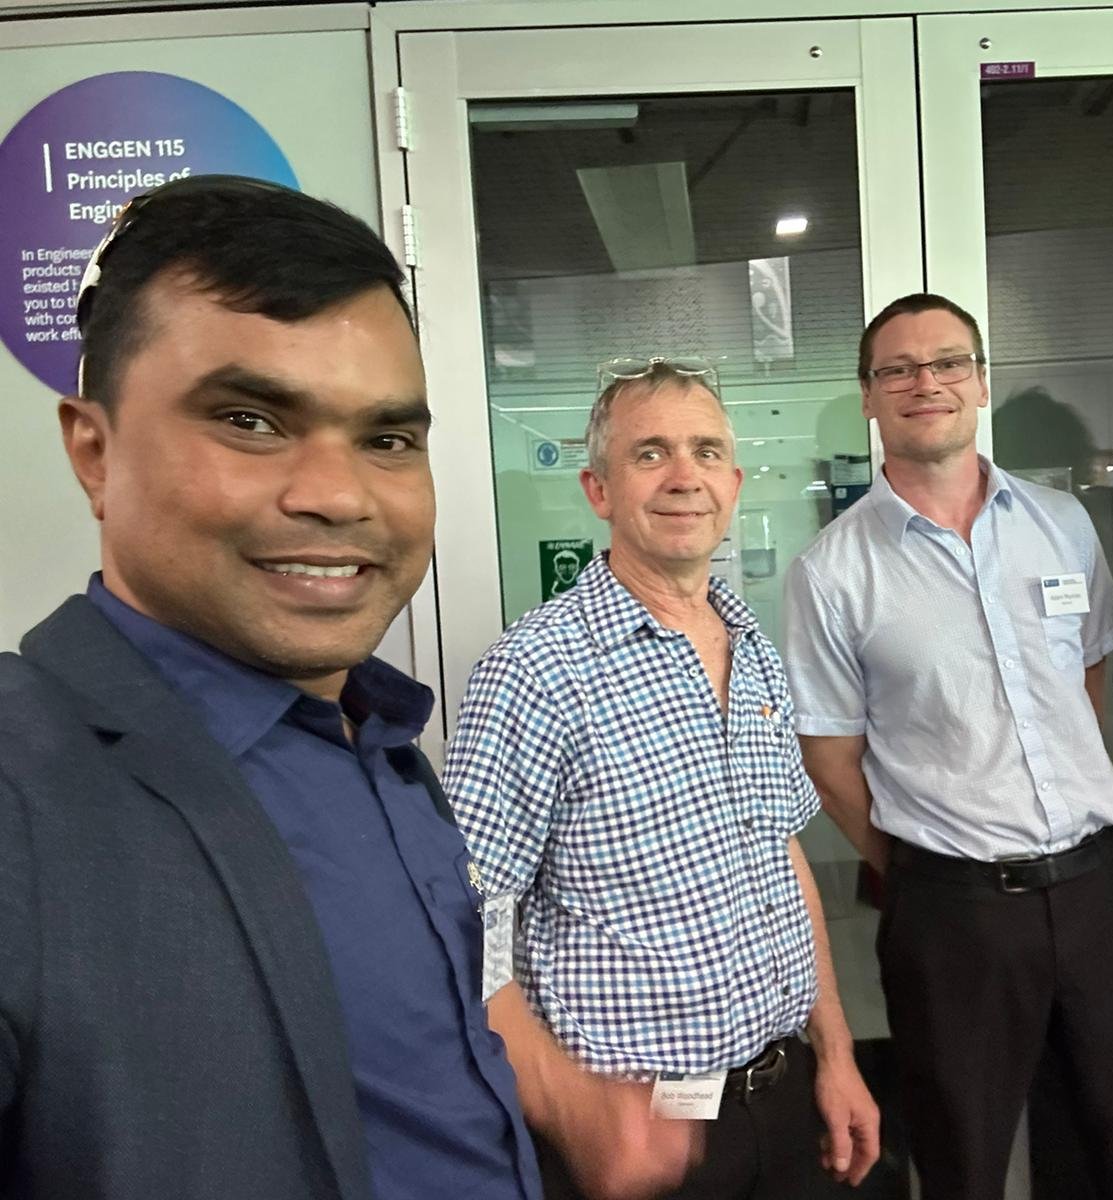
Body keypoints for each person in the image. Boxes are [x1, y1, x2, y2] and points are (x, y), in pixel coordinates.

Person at [0, 175, 692, 1200]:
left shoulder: (381, 746)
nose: (337, 495)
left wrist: (561, 1095)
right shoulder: (25, 795)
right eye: (249, 420)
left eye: (387, 440)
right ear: (95, 454)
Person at [782, 294, 1113, 1200]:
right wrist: (921, 868)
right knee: (962, 1162)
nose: (924, 382)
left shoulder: (1061, 523)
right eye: (897, 369)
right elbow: (830, 756)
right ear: (868, 396)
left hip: (1103, 889)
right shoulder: (832, 570)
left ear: (979, 382)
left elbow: (1085, 680)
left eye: (947, 363)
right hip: (955, 913)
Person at [443, 356, 880, 1200]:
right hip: (635, 1137)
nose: (685, 476)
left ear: (734, 484)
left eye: (706, 452)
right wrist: (573, 1109)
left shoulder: (754, 650)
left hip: (784, 1097)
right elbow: (466, 917)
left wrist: (835, 1054)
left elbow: (782, 859)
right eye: (650, 454)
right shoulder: (535, 671)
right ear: (598, 490)